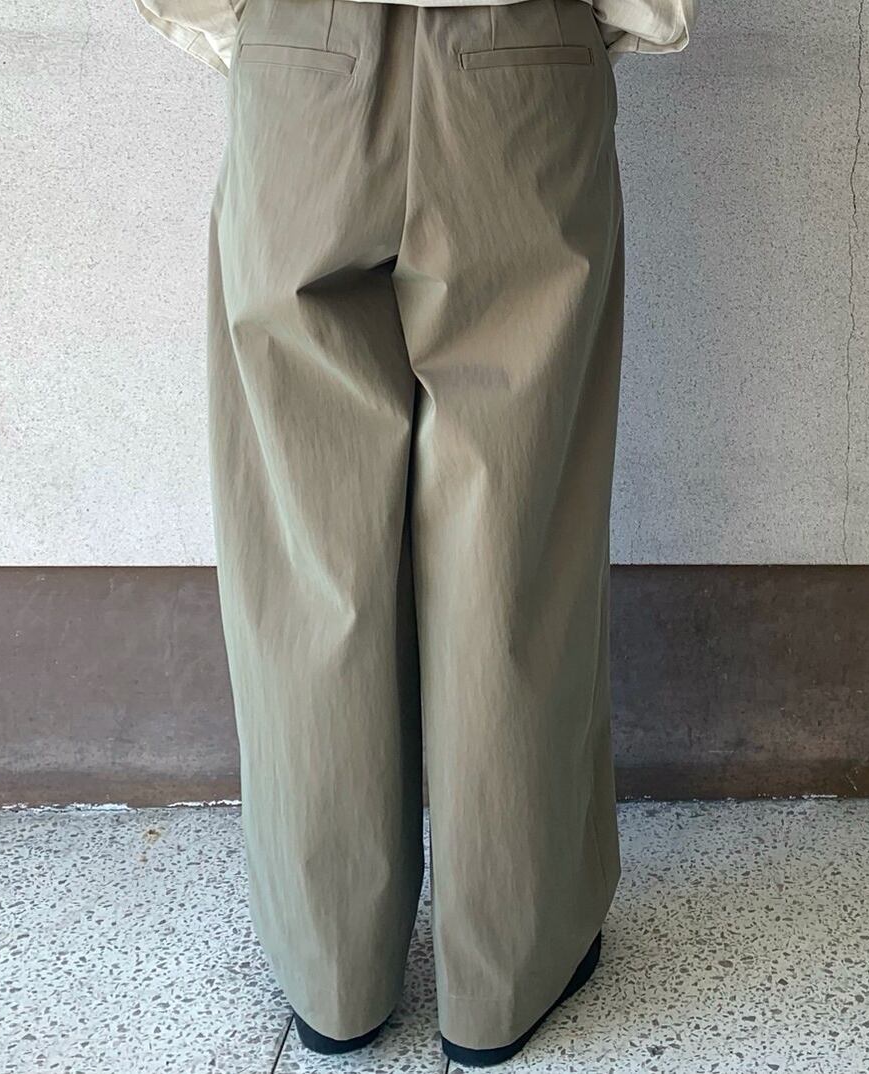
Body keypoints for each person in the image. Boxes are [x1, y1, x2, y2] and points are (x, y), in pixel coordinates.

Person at [134, 0, 693, 1063]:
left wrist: (252, 27)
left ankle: (331, 973)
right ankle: (507, 970)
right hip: (518, 63)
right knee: (514, 539)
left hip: (304, 68)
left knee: (309, 550)